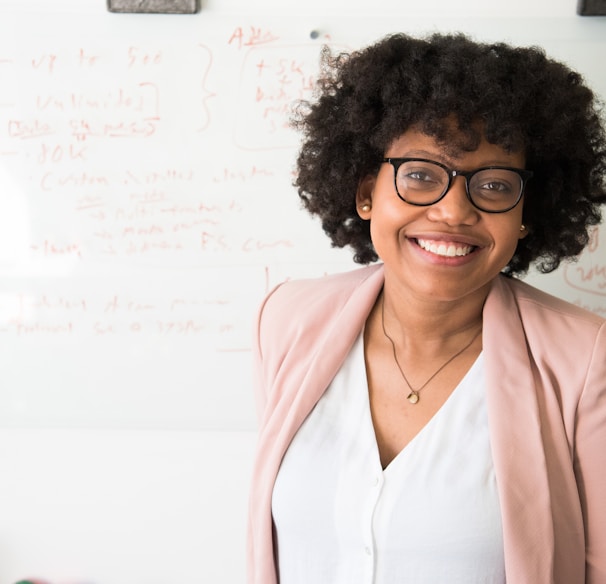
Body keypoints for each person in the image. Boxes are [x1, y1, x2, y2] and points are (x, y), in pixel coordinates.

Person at [247, 32, 606, 584]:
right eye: (420, 175)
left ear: (526, 212)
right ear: (366, 191)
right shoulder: (289, 319)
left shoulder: (585, 360)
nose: (453, 212)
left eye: (493, 184)